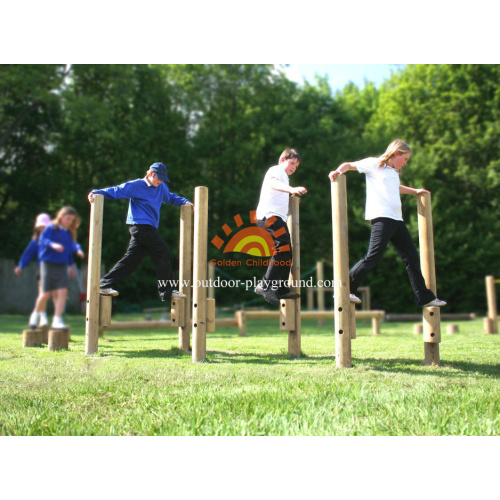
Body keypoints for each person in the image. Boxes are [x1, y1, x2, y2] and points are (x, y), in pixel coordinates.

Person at [328, 139, 446, 308]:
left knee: (411, 257)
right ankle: (345, 288)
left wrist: (415, 191)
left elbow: (396, 187)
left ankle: (424, 297)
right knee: (373, 255)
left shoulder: (393, 172)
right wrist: (337, 172)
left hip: (397, 220)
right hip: (381, 218)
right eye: (405, 159)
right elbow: (348, 165)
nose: (405, 164)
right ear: (396, 153)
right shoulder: (374, 164)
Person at [88, 162, 193, 301]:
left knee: (132, 259)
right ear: (150, 174)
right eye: (158, 177)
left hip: (149, 227)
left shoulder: (161, 187)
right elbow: (117, 191)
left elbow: (171, 197)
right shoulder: (136, 185)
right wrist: (96, 192)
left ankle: (104, 284)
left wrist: (185, 201)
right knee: (163, 253)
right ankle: (167, 290)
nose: (160, 181)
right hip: (140, 225)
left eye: (162, 178)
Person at [254, 148, 307, 305]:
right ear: (282, 160)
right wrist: (292, 189)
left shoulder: (284, 178)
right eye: (292, 163)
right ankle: (265, 285)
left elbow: (276, 194)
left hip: (275, 218)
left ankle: (282, 289)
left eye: (296, 166)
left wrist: (291, 198)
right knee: (282, 248)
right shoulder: (276, 170)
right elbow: (272, 183)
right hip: (269, 217)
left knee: (287, 252)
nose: (293, 167)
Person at [30, 206, 82, 329]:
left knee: (62, 292)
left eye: (72, 220)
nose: (69, 221)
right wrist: (52, 244)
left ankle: (57, 320)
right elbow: (42, 240)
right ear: (61, 216)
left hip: (63, 265)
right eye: (67, 218)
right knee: (46, 293)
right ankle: (35, 315)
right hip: (48, 264)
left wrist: (73, 262)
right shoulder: (51, 228)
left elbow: (69, 249)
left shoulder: (68, 232)